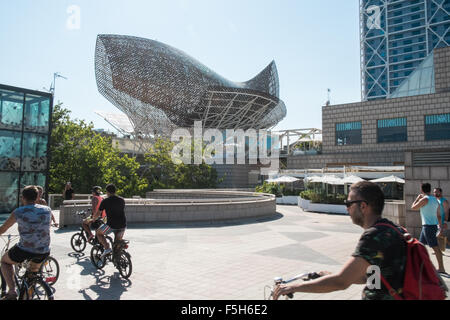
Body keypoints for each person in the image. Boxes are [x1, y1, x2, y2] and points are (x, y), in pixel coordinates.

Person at [273, 181, 407, 300]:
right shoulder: (395, 230)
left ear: (363, 206)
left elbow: (341, 283)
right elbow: (374, 278)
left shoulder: (373, 237)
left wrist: (293, 287)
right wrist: (331, 275)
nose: (346, 208)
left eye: (348, 203)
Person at [0, 186, 52, 300]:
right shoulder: (47, 210)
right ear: (37, 197)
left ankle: (12, 292)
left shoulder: (18, 212)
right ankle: (28, 291)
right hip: (44, 250)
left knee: (4, 261)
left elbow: (3, 228)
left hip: (25, 250)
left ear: (23, 198)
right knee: (31, 275)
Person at [411, 183, 446, 273]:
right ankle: (421, 266)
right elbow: (438, 214)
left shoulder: (425, 199)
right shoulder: (435, 199)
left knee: (435, 247)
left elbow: (413, 207)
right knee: (420, 245)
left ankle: (441, 268)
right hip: (431, 225)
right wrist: (440, 226)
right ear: (430, 190)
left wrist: (417, 198)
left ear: (421, 190)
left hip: (428, 226)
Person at [95, 184, 126, 258]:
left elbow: (98, 214)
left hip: (111, 225)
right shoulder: (121, 200)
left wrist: (93, 219)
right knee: (117, 243)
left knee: (98, 233)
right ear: (115, 191)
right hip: (122, 225)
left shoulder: (105, 201)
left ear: (107, 192)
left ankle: (107, 248)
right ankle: (118, 259)